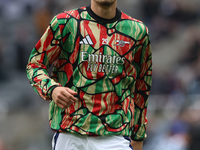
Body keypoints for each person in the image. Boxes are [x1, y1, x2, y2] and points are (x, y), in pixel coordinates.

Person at [26, 0, 152, 150]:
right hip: (70, 131)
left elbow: (142, 87)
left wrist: (138, 136)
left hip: (115, 136)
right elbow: (34, 64)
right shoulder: (66, 22)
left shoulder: (137, 31)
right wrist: (52, 89)